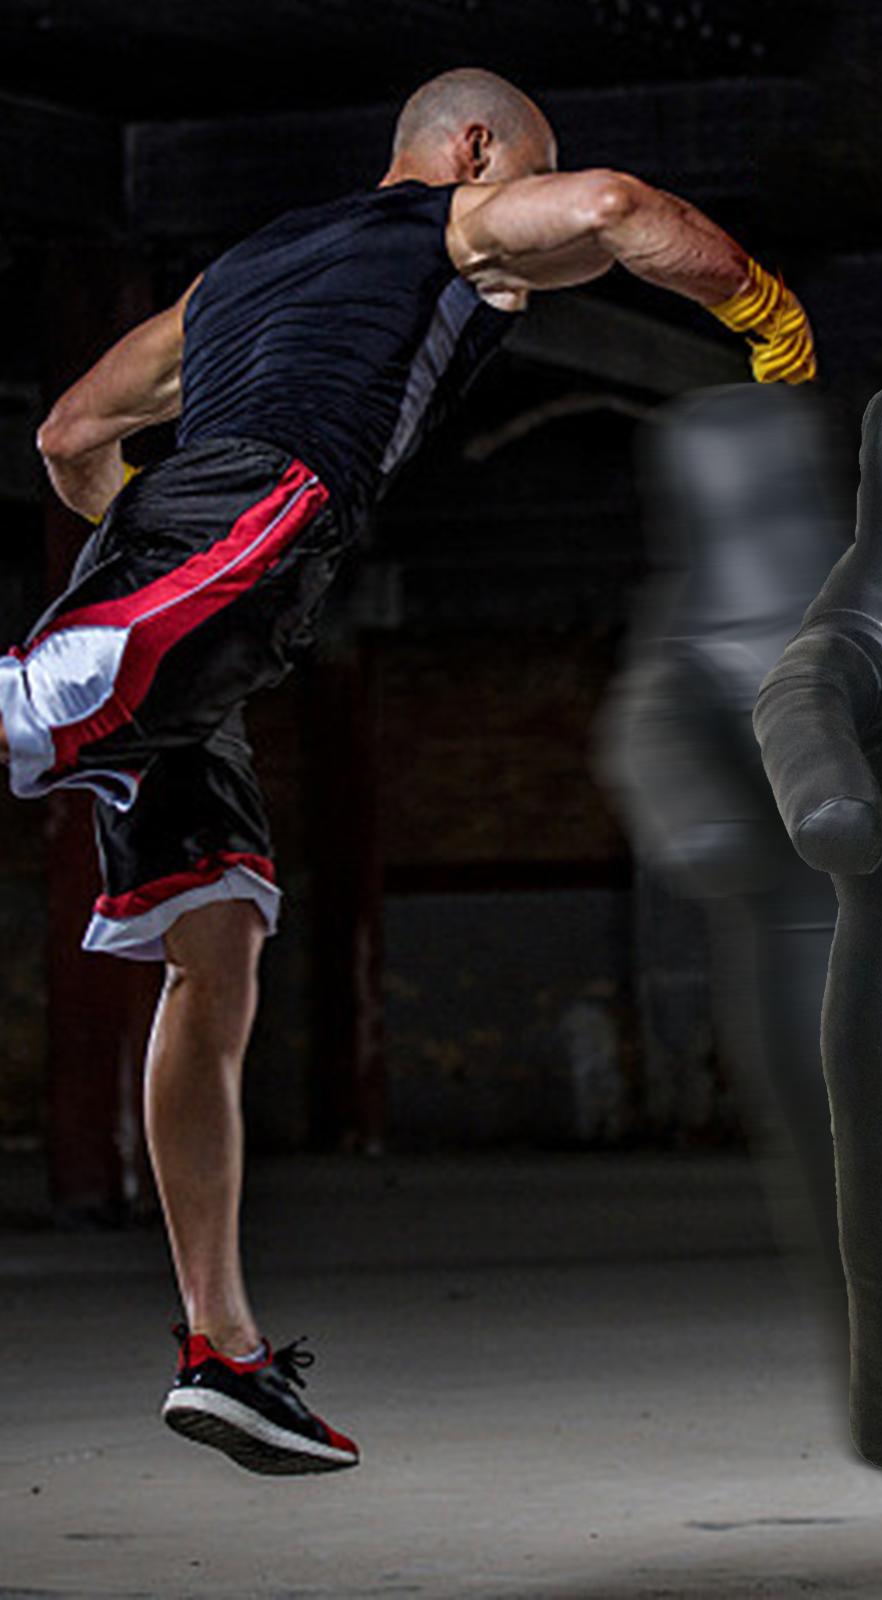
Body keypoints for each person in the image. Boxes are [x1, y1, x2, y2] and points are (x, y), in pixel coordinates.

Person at [3, 66, 816, 1477]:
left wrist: (142, 542)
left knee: (216, 944)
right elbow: (617, 209)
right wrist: (767, 320)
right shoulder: (446, 223)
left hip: (191, 588)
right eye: (516, 177)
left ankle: (222, 1353)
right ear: (477, 150)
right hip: (251, 524)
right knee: (27, 715)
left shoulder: (235, 276)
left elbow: (70, 435)